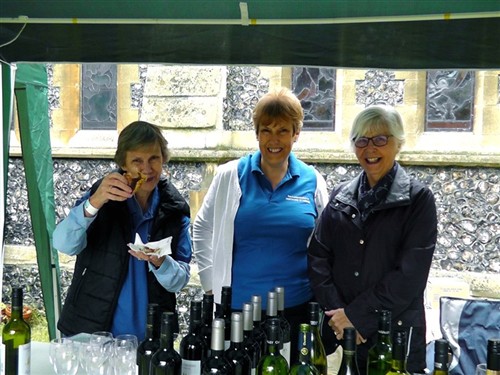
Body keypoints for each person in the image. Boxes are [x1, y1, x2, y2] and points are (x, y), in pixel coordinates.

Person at [192, 88, 329, 363]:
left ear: (296, 134)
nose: (274, 140)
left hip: (297, 310)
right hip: (239, 310)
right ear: (256, 134)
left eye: (283, 131)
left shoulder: (312, 181)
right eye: (266, 130)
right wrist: (210, 284)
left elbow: (326, 244)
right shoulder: (230, 176)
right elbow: (202, 228)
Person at [307, 105, 437, 373]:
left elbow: (409, 276)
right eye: (362, 140)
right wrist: (338, 316)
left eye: (380, 139)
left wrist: (355, 317)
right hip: (343, 335)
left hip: (394, 336)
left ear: (398, 143)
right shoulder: (341, 197)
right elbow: (318, 256)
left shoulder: (418, 200)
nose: (370, 148)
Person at [53, 121, 192, 340]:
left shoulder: (174, 210)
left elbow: (179, 279)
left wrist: (159, 261)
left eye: (154, 158)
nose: (147, 169)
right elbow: (63, 244)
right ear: (123, 164)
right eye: (137, 160)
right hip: (91, 334)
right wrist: (94, 202)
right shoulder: (102, 196)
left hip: (147, 338)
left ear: (163, 158)